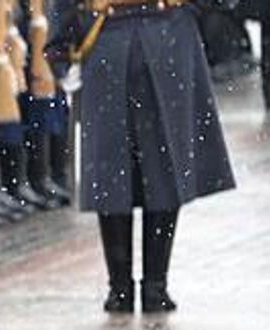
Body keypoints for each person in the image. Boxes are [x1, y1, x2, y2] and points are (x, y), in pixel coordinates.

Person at [50, 0, 235, 313]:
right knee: (147, 164)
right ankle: (149, 286)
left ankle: (127, 287)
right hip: (141, 32)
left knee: (122, 166)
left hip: (129, 32)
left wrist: (60, 46)